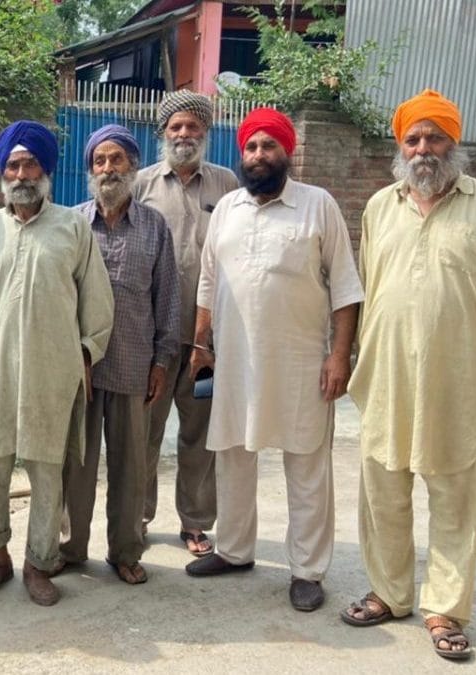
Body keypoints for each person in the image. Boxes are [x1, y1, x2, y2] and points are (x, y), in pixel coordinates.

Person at [342, 89, 476, 661]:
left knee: (455, 494)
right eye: (413, 139)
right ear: (400, 147)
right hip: (387, 374)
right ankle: (390, 592)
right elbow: (370, 288)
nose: (423, 148)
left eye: (435, 137)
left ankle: (445, 607)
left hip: (459, 376)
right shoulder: (380, 206)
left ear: (455, 142)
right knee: (383, 490)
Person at [186, 108, 364, 613]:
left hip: (301, 363)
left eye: (269, 146)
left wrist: (339, 356)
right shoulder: (227, 208)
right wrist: (201, 346)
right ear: (241, 154)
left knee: (306, 464)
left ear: (288, 151)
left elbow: (346, 288)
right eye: (251, 147)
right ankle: (234, 550)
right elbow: (208, 281)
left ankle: (307, 570)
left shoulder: (317, 205)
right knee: (232, 456)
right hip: (234, 361)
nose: (259, 155)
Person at [0, 120, 114, 606]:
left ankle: (38, 562)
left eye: (30, 164)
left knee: (47, 473)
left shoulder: (72, 226)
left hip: (52, 371)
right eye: (13, 165)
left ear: (45, 170)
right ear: (2, 172)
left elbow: (96, 299)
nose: (21, 174)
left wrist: (86, 352)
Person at [60, 124, 180, 585]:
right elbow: (61, 297)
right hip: (82, 368)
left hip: (134, 363)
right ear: (90, 169)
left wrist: (161, 361)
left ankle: (126, 551)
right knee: (77, 465)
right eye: (99, 160)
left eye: (117, 159)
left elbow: (167, 298)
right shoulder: (73, 223)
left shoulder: (154, 226)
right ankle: (71, 548)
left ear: (133, 165)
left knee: (131, 467)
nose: (108, 168)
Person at [134, 90, 238, 557]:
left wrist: (211, 337)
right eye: (176, 126)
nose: (184, 134)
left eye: (193, 126)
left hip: (206, 342)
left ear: (205, 132)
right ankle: (136, 517)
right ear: (163, 133)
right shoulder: (142, 184)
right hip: (152, 339)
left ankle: (195, 522)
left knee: (199, 432)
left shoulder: (226, 184)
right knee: (144, 431)